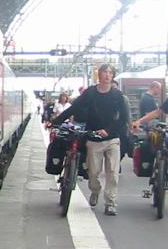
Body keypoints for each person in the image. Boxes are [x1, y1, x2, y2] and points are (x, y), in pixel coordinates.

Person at [46, 64, 130, 215]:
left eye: (110, 72)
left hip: (112, 139)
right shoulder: (90, 93)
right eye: (105, 72)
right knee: (93, 172)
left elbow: (123, 118)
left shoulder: (118, 96)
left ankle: (110, 203)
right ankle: (95, 190)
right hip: (93, 138)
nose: (107, 75)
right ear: (99, 75)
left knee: (112, 172)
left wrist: (109, 130)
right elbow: (74, 108)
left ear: (113, 76)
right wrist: (55, 122)